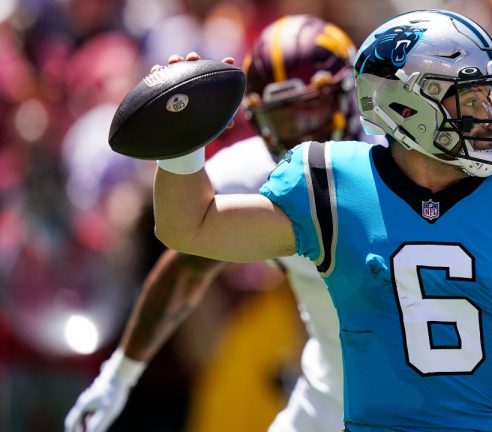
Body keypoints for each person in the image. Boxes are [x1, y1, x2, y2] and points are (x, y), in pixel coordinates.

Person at [148, 9, 492, 431]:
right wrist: (181, 144)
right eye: (469, 99)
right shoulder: (334, 182)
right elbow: (189, 227)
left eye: (489, 96)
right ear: (405, 107)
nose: (489, 114)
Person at [65, 14, 370, 432]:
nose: (303, 133)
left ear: (348, 96)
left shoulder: (396, 162)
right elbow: (187, 261)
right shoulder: (256, 171)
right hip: (329, 392)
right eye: (284, 116)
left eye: (312, 107)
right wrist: (181, 145)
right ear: (259, 119)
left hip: (432, 395)